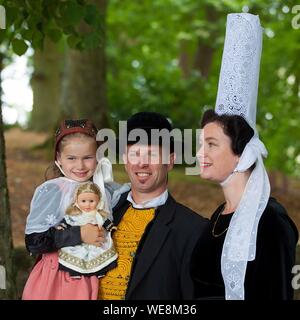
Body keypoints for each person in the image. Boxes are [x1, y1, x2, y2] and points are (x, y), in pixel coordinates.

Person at [191, 13, 299, 300]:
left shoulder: (271, 222)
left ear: (242, 155)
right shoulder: (220, 214)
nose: (200, 153)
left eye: (211, 144)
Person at [98, 111, 209, 300]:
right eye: (135, 154)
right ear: (125, 160)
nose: (142, 163)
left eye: (152, 154)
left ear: (170, 161)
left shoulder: (193, 230)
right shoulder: (102, 213)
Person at [22, 119, 112, 300]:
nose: (80, 166)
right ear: (59, 159)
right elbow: (33, 241)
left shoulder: (103, 189)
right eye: (71, 158)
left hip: (93, 274)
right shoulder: (53, 190)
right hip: (58, 278)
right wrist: (79, 234)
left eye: (88, 158)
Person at [57, 182, 117, 278]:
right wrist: (62, 226)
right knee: (76, 254)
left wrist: (110, 226)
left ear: (98, 201)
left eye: (91, 201)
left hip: (95, 241)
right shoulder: (75, 215)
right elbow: (67, 221)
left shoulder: (98, 214)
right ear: (77, 201)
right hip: (78, 242)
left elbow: (105, 221)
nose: (87, 205)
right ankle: (74, 272)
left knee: (99, 253)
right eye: (83, 201)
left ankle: (99, 271)